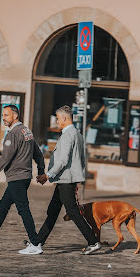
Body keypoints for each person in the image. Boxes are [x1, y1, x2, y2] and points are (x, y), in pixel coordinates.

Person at [0, 105, 45, 255]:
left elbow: (5, 158)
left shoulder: (13, 134)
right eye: (3, 115)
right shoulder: (26, 131)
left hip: (17, 178)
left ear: (15, 116)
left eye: (6, 115)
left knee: (23, 210)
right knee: (3, 207)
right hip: (22, 178)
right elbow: (38, 154)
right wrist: (41, 171)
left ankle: (35, 244)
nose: (3, 118)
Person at [35, 105, 101, 255]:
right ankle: (37, 241)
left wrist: (47, 175)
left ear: (64, 118)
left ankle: (93, 242)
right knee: (53, 211)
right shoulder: (77, 134)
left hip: (66, 180)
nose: (57, 122)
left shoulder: (67, 135)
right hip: (66, 179)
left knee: (73, 212)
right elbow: (79, 160)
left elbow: (62, 161)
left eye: (58, 119)